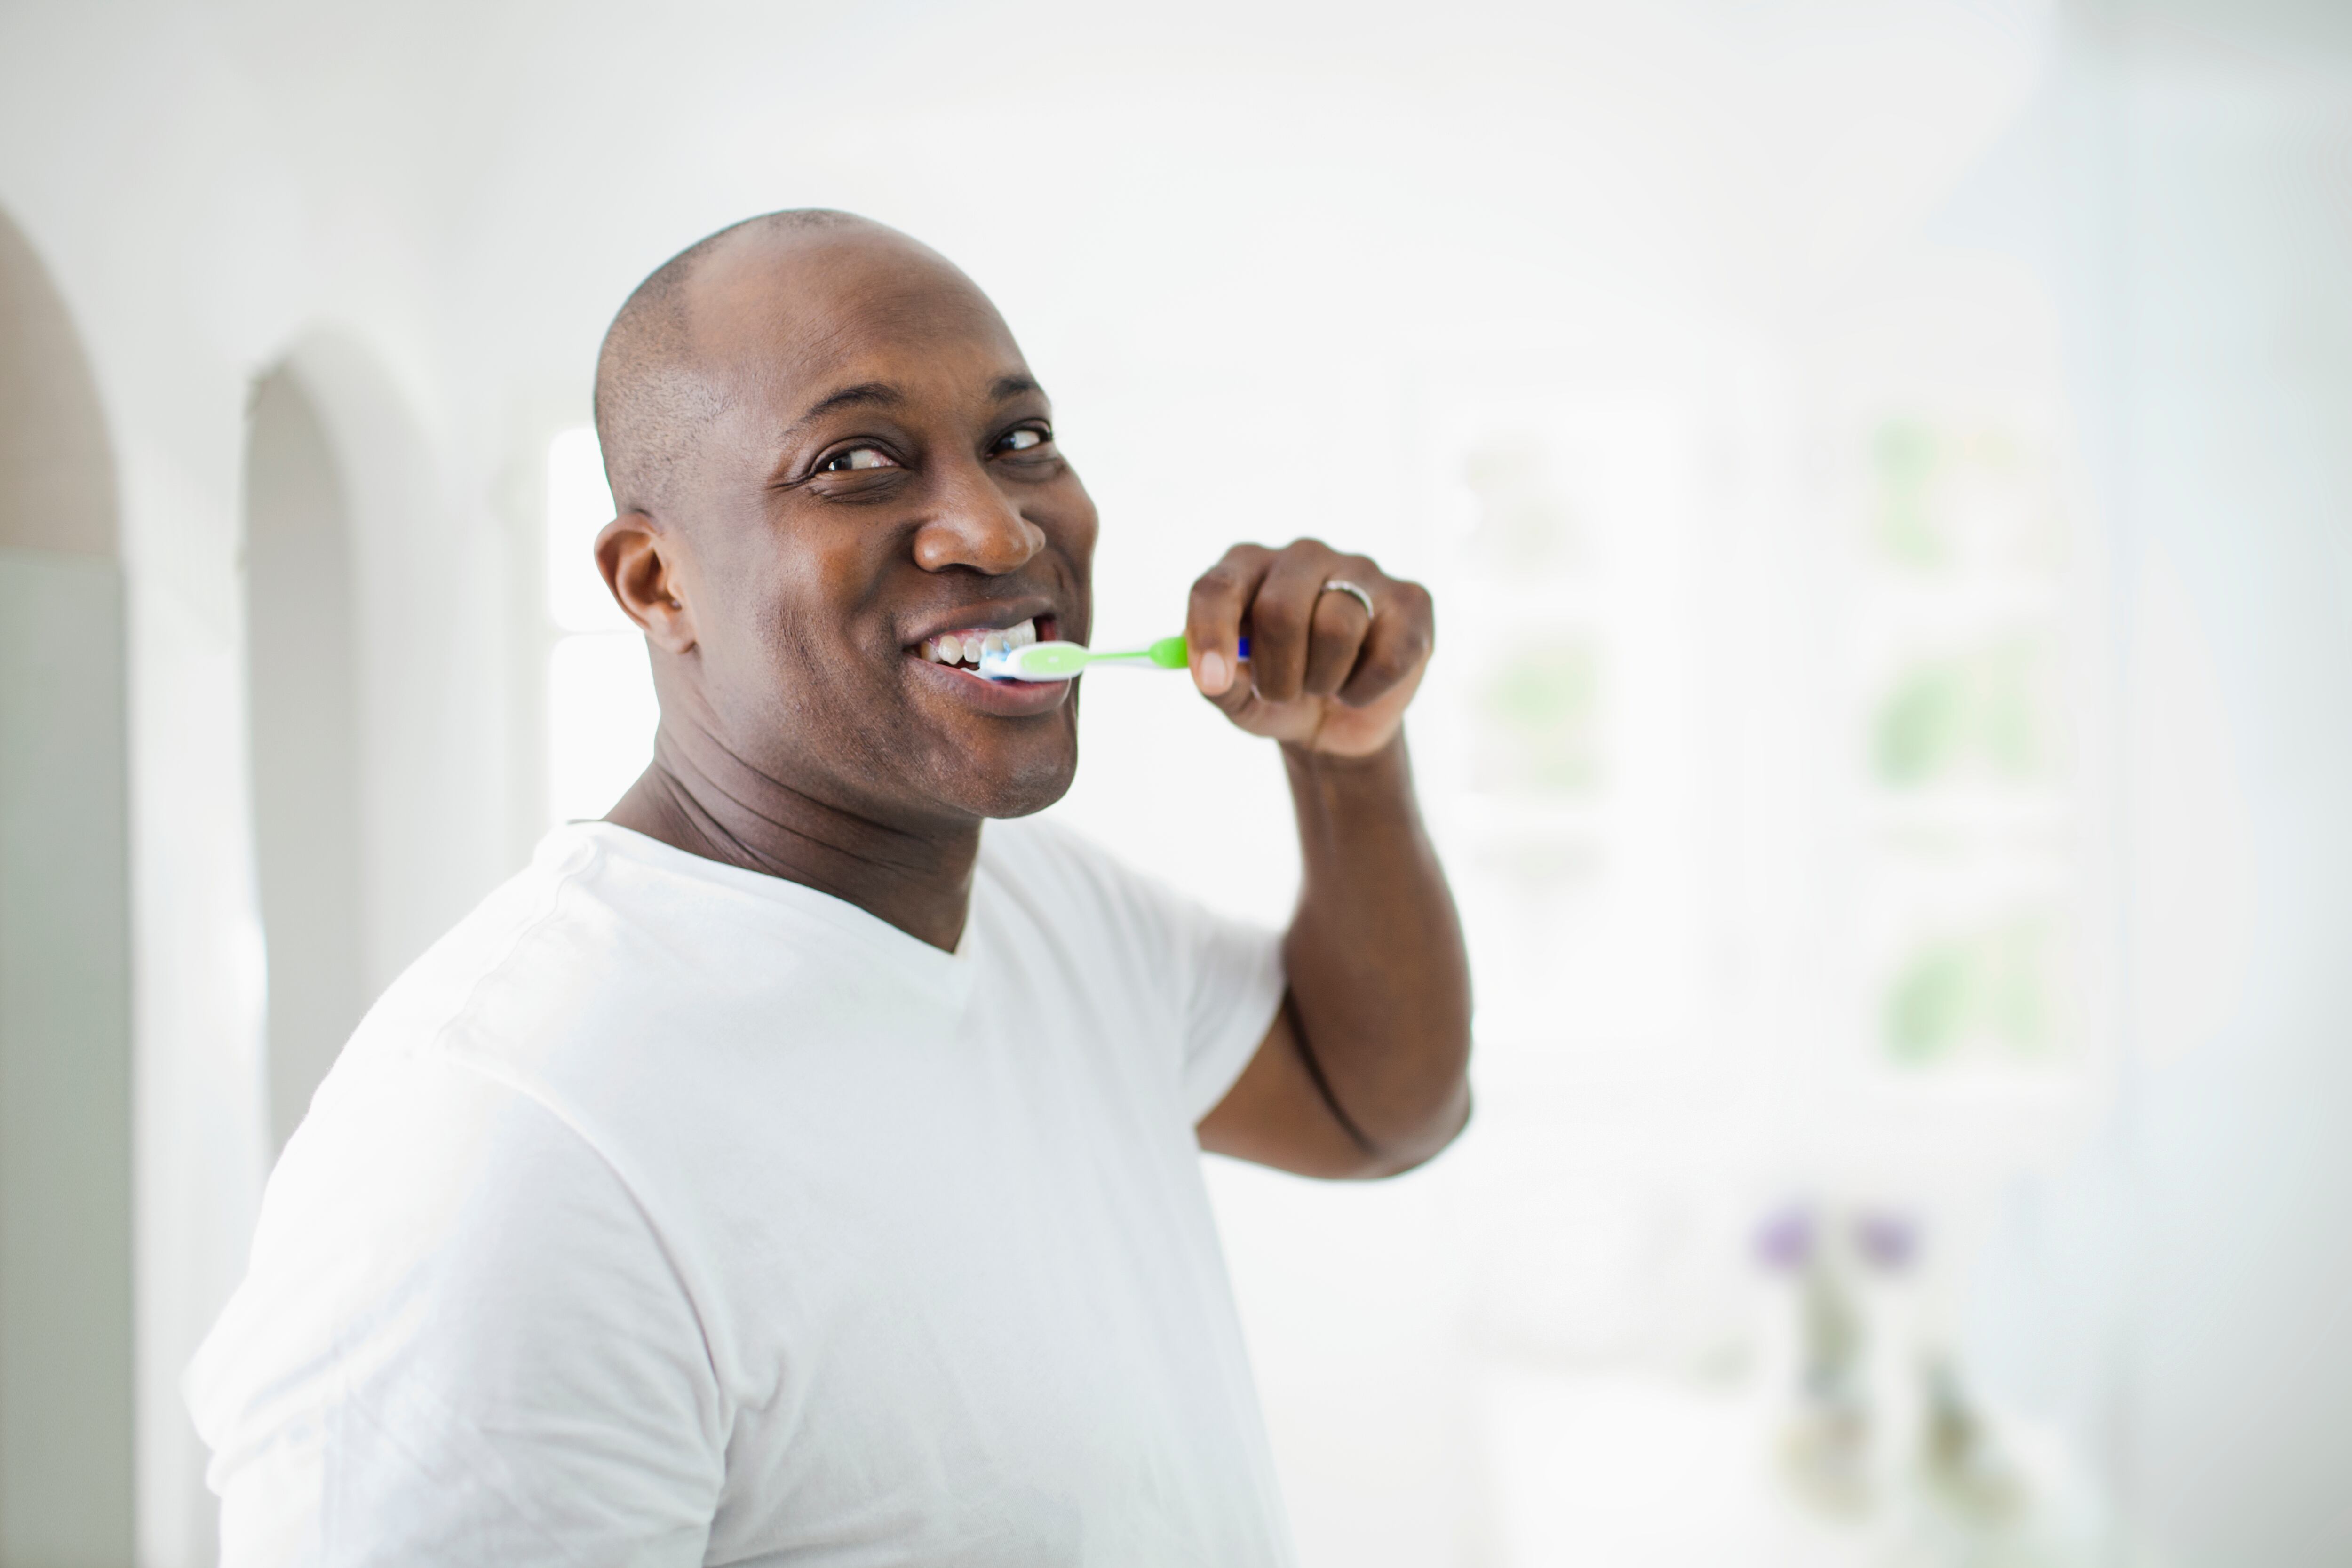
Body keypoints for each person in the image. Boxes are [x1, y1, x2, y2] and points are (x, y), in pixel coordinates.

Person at [187, 209, 1471, 1566]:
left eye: (1019, 441)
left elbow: (1373, 1106)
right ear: (657, 581)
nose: (992, 522)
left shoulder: (1052, 913)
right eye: (854, 463)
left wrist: (1351, 760)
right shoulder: (508, 1148)